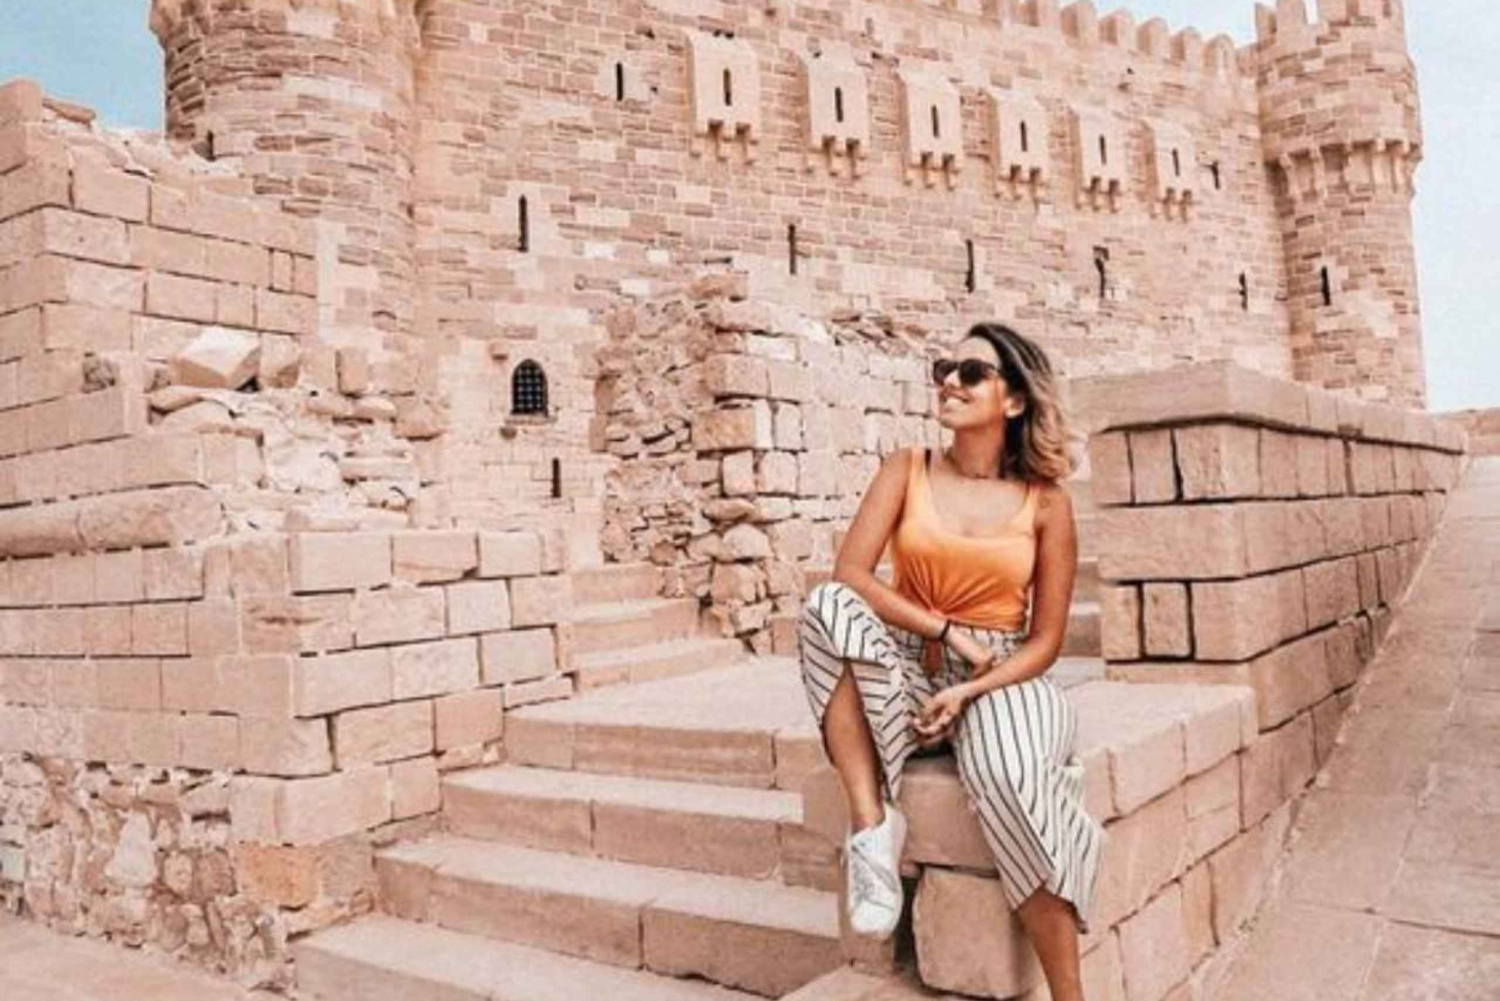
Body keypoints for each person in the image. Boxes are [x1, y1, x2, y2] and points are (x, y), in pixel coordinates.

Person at [797, 322, 1104, 1001]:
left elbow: (1046, 641)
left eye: (971, 373)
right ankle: (872, 829)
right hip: (909, 663)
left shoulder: (1047, 502)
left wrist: (968, 690)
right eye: (944, 369)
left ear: (1014, 400)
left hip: (1000, 671)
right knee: (826, 607)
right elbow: (852, 575)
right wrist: (945, 632)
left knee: (1011, 778)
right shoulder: (906, 468)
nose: (949, 383)